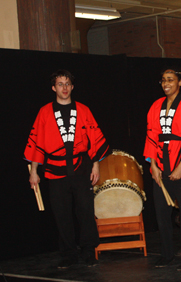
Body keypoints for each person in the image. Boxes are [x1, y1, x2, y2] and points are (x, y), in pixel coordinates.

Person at [24, 69, 109, 268]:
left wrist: (96, 165)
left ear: (72, 87)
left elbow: (94, 140)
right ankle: (69, 253)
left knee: (86, 211)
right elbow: (37, 142)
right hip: (54, 170)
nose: (64, 87)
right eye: (60, 84)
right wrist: (34, 172)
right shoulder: (44, 112)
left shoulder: (84, 110)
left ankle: (89, 251)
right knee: (62, 214)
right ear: (54, 87)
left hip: (81, 168)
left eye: (67, 84)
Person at [143, 67, 181, 270]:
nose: (166, 83)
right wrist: (153, 165)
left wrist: (180, 167)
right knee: (161, 212)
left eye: (170, 79)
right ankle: (167, 254)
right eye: (163, 80)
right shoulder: (155, 106)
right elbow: (151, 136)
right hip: (161, 164)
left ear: (180, 82)